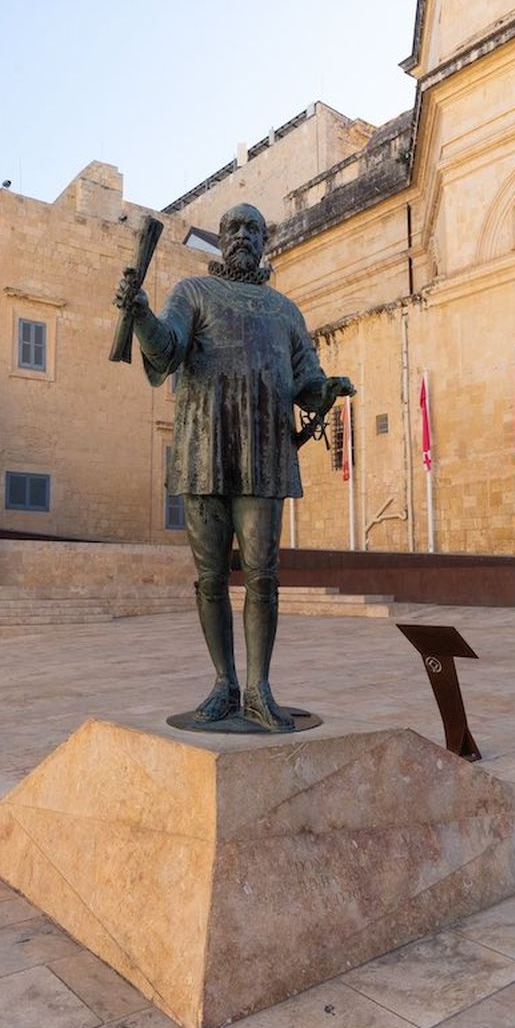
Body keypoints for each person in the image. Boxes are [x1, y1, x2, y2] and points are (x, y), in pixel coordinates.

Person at [116, 203, 355, 732]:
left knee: (263, 576)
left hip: (264, 452)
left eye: (252, 229)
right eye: (234, 228)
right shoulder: (193, 293)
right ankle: (224, 682)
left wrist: (327, 388)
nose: (243, 235)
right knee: (208, 579)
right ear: (221, 239)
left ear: (264, 241)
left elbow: (305, 378)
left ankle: (258, 689)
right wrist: (140, 316)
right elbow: (168, 350)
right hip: (204, 447)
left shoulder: (286, 311)